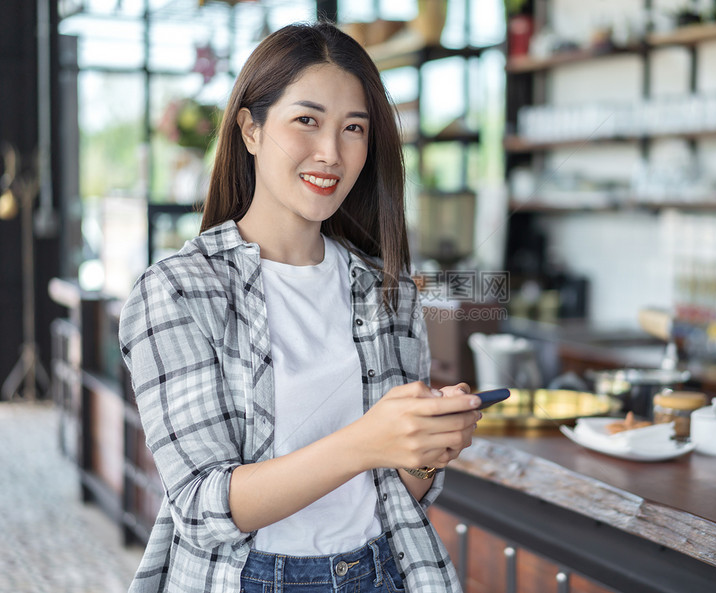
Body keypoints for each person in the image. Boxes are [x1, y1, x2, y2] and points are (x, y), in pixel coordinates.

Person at [118, 21, 481, 593]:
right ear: (251, 129)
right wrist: (366, 440)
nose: (331, 153)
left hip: (381, 572)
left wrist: (427, 447)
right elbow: (201, 507)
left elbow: (398, 490)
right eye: (306, 121)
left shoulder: (388, 292)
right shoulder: (179, 291)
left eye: (353, 128)